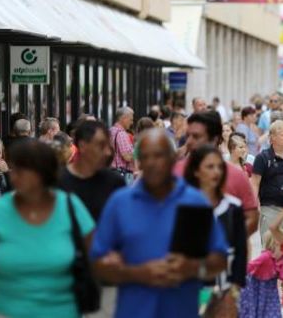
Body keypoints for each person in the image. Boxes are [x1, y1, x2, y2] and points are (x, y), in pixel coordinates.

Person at [90, 130, 228, 318]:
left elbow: (219, 259)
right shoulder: (120, 203)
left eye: (158, 156)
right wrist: (138, 273)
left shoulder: (194, 201)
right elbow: (97, 263)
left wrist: (192, 268)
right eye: (145, 157)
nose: (151, 163)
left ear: (173, 158)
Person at [0, 139, 95, 318]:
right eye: (14, 169)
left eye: (22, 170)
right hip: (4, 312)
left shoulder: (70, 207)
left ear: (44, 173)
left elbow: (95, 256)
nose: (14, 176)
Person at [183, 145, 247, 313]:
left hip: (226, 289)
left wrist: (234, 291)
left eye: (219, 166)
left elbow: (241, 251)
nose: (216, 172)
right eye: (210, 167)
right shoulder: (185, 207)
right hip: (194, 290)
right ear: (196, 171)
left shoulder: (233, 207)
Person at [176, 111, 260, 235]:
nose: (189, 141)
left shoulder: (236, 175)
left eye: (196, 136)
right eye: (188, 136)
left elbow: (252, 218)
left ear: (214, 139)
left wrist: (227, 242)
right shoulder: (175, 172)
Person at [59, 121, 125, 222]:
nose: (108, 152)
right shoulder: (58, 182)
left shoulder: (115, 182)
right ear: (82, 146)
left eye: (108, 146)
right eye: (101, 145)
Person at [252, 121, 283, 244]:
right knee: (270, 248)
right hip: (271, 208)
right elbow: (255, 182)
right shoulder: (262, 157)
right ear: (272, 138)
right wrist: (255, 205)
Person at [239, 232, 283, 318]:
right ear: (275, 245)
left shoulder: (279, 260)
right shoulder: (265, 257)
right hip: (258, 289)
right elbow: (251, 266)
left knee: (273, 313)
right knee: (258, 312)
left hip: (270, 293)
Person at [109, 107, 135, 179]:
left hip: (113, 171)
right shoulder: (121, 134)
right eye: (131, 120)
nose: (131, 123)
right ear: (124, 118)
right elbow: (127, 157)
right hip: (122, 173)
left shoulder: (111, 130)